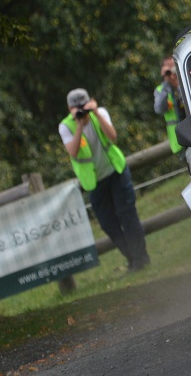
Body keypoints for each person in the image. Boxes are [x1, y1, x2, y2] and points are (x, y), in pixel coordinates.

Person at [59, 88, 150, 273]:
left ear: (90, 101)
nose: (82, 110)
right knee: (108, 224)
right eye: (77, 108)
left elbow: (112, 136)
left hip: (116, 171)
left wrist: (96, 114)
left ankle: (141, 259)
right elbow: (73, 152)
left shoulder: (100, 113)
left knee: (127, 215)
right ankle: (133, 259)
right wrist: (79, 125)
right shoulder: (66, 126)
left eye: (83, 105)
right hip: (94, 182)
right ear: (69, 109)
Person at [154, 56, 186, 155]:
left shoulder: (185, 83)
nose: (172, 73)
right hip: (179, 142)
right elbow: (159, 109)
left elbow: (188, 103)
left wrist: (178, 86)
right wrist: (165, 84)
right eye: (168, 70)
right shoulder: (160, 90)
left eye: (173, 68)